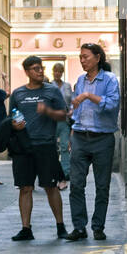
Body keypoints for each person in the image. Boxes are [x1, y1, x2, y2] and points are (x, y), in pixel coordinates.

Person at [8, 56, 69, 241]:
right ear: (27, 72)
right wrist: (15, 124)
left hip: (46, 145)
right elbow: (13, 116)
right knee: (25, 188)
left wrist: (48, 112)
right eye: (35, 69)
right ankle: (26, 229)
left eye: (41, 68)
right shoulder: (17, 94)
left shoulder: (52, 91)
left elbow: (64, 114)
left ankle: (60, 226)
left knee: (51, 187)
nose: (40, 71)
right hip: (24, 147)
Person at [65, 43, 121, 241]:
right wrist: (72, 130)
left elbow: (113, 105)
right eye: (80, 57)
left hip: (102, 138)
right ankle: (79, 227)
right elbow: (78, 110)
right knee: (76, 184)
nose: (82, 60)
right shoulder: (80, 80)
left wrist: (89, 95)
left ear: (98, 58)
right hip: (80, 136)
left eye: (86, 57)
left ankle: (98, 227)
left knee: (102, 185)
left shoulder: (109, 80)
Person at [51, 62, 74, 190]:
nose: (58, 73)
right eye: (56, 71)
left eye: (60, 71)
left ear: (62, 72)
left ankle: (66, 172)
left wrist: (71, 111)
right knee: (52, 147)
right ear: (53, 72)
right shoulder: (49, 86)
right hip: (53, 120)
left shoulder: (67, 86)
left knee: (65, 146)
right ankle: (53, 171)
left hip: (64, 119)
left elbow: (70, 102)